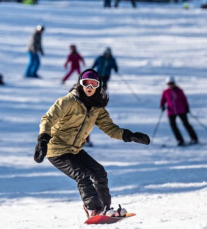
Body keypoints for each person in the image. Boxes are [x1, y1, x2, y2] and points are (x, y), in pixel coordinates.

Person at [34, 70, 150, 218]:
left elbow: (110, 128)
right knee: (82, 175)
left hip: (75, 150)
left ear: (98, 86)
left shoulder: (97, 108)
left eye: (93, 83)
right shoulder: (67, 102)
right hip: (57, 150)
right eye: (85, 83)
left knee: (99, 172)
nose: (89, 87)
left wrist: (129, 135)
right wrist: (43, 139)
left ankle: (106, 209)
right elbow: (47, 119)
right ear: (80, 84)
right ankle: (93, 209)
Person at [160, 77, 198, 146]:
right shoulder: (165, 92)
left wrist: (186, 107)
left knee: (186, 124)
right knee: (173, 126)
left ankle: (194, 138)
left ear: (174, 83)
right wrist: (162, 106)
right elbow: (163, 100)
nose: (171, 85)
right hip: (171, 111)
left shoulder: (179, 90)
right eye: (169, 84)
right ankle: (180, 140)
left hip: (181, 110)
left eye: (172, 83)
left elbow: (184, 99)